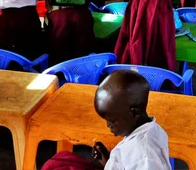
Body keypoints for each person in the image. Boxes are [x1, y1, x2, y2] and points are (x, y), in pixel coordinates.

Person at [42, 70, 171, 170]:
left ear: (134, 113)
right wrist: (109, 161)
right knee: (60, 161)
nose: (108, 126)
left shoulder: (144, 155)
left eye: (113, 121)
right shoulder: (154, 130)